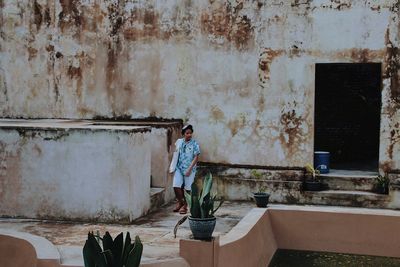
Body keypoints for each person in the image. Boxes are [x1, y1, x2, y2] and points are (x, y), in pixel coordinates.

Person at [172, 124, 200, 214]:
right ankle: (181, 202)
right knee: (176, 185)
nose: (189, 135)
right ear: (184, 134)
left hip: (190, 169)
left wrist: (189, 169)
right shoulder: (179, 142)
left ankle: (185, 206)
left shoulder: (194, 144)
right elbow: (176, 154)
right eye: (187, 133)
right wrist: (173, 166)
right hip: (179, 168)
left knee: (188, 188)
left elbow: (196, 157)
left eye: (190, 133)